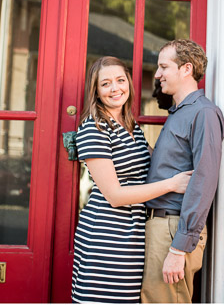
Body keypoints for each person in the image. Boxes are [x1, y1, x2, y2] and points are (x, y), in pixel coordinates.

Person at [72, 56, 192, 303]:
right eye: (105, 84)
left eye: (120, 80)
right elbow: (115, 196)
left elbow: (156, 162)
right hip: (106, 237)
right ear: (95, 90)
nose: (115, 88)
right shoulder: (93, 128)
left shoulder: (131, 127)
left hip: (133, 235)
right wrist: (172, 184)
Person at [141, 39, 224, 303]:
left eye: (164, 67)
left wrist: (179, 248)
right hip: (161, 225)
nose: (157, 74)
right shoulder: (178, 113)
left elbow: (203, 180)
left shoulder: (204, 113)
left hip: (174, 227)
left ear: (186, 69)